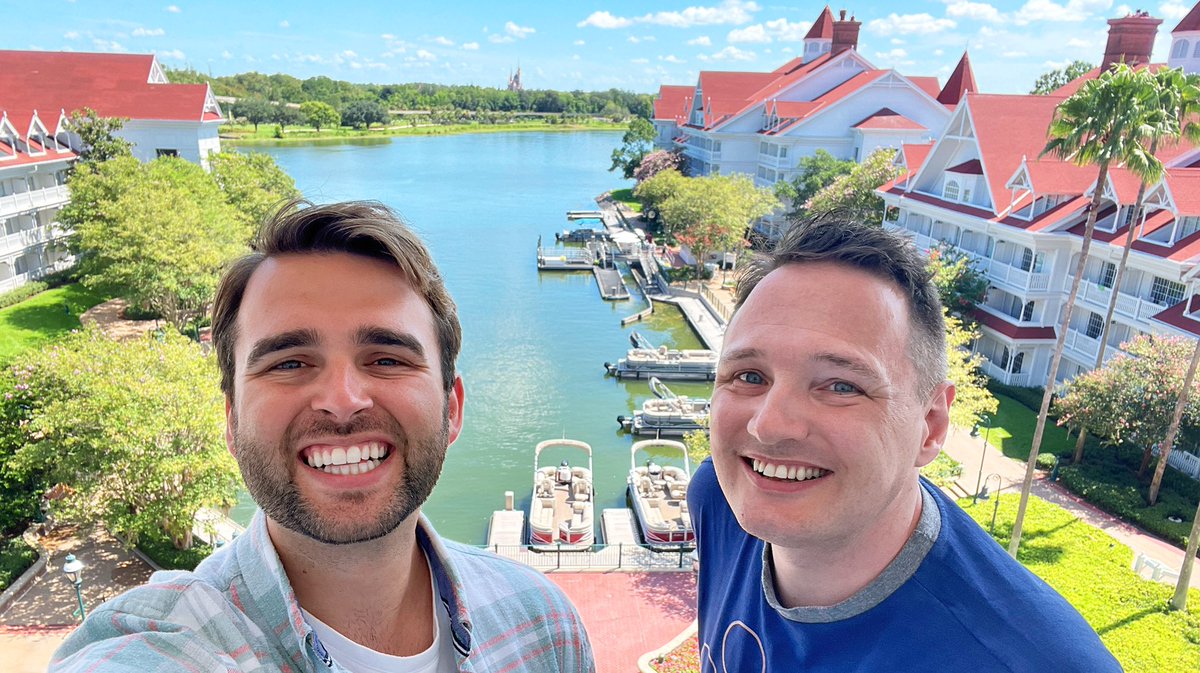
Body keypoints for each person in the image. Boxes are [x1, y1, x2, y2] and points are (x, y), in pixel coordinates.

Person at [52, 201, 594, 672]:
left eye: (387, 359)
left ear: (451, 409)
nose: (342, 398)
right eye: (289, 363)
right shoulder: (176, 645)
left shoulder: (544, 627)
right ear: (232, 422)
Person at [688, 217, 1120, 672]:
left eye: (841, 386)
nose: (770, 426)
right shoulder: (721, 500)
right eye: (749, 376)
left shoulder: (1034, 662)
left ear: (930, 426)